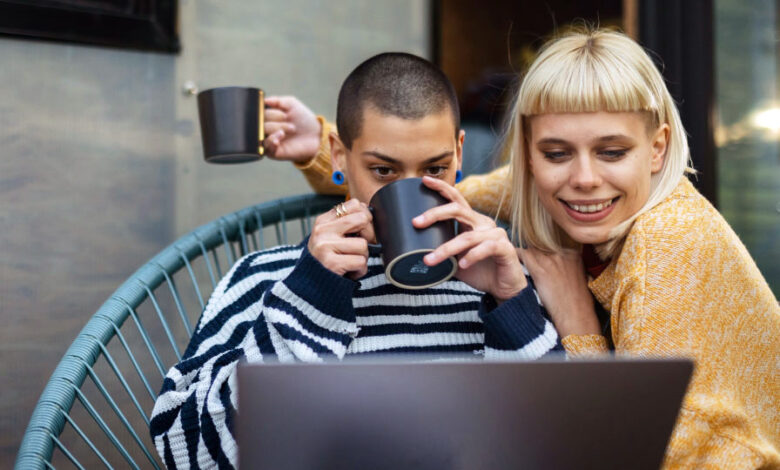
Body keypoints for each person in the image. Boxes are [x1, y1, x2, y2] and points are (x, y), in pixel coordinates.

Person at [265, 29, 780, 469]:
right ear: (529, 158)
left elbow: (624, 453)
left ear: (658, 149)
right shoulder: (537, 184)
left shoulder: (666, 248)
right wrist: (326, 149)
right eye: (556, 153)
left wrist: (576, 320)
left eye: (612, 152)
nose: (583, 179)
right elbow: (432, 196)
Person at [150, 52, 566, 469]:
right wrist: (310, 299)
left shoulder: (507, 279)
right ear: (339, 156)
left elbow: (561, 449)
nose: (412, 199)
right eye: (383, 171)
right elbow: (187, 456)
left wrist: (512, 306)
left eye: (435, 169)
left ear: (459, 154)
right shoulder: (266, 278)